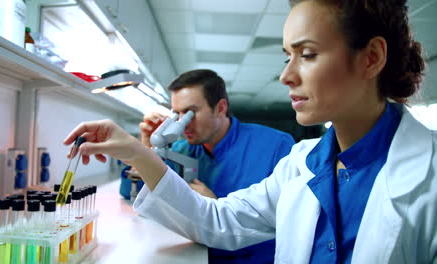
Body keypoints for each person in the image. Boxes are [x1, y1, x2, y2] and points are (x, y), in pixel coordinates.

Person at [63, 0, 437, 263]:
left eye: (307, 54)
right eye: (286, 55)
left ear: (371, 57)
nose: (286, 75)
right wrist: (136, 150)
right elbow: (217, 220)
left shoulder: (429, 178)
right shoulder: (300, 165)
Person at [138, 69, 296, 263]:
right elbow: (140, 197)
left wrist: (214, 204)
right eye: (177, 114)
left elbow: (293, 221)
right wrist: (146, 149)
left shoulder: (275, 145)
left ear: (220, 108)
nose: (182, 123)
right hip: (198, 254)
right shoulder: (182, 150)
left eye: (190, 113)